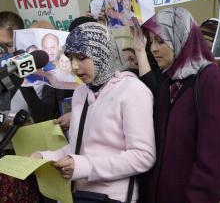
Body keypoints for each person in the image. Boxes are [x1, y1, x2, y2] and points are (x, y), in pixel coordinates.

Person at [31, 21, 156, 203]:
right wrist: (45, 157)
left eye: (81, 58)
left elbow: (143, 156)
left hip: (112, 198)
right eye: (71, 58)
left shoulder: (132, 90)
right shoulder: (81, 92)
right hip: (75, 196)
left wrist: (86, 166)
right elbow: (79, 147)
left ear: (102, 54)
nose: (74, 66)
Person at [132, 7, 220, 203]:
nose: (153, 48)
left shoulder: (211, 80)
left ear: (182, 37)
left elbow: (216, 159)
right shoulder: (169, 81)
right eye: (152, 41)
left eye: (161, 41)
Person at [0, 11, 40, 203]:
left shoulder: (36, 74)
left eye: (8, 45)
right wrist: (8, 121)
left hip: (25, 164)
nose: (4, 52)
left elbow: (46, 116)